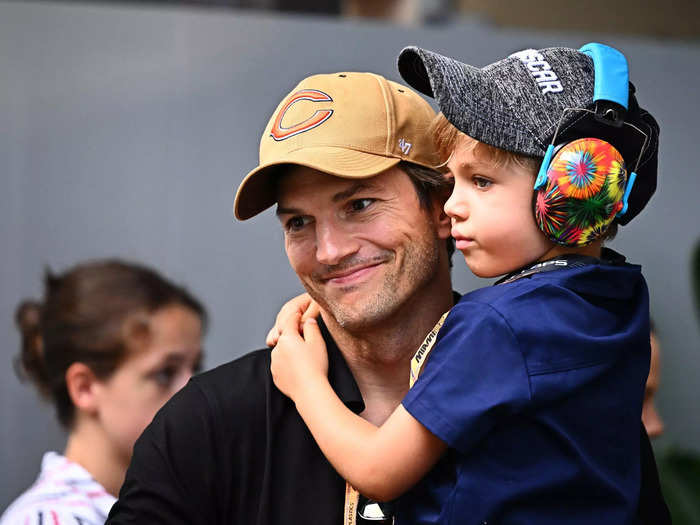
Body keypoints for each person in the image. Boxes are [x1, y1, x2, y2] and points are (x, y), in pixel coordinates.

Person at [270, 44, 666, 524]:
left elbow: (377, 469)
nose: (452, 205)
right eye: (451, 181)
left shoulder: (496, 325)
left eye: (480, 181)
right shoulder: (617, 300)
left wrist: (304, 380)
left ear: (577, 188)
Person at [105, 72, 456, 525]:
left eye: (360, 205)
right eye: (298, 223)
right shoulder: (209, 422)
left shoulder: (527, 382)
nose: (329, 251)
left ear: (443, 205)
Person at [1, 259, 206, 525]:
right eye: (165, 373)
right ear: (84, 388)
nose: (192, 391)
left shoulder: (175, 506)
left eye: (196, 368)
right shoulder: (50, 519)